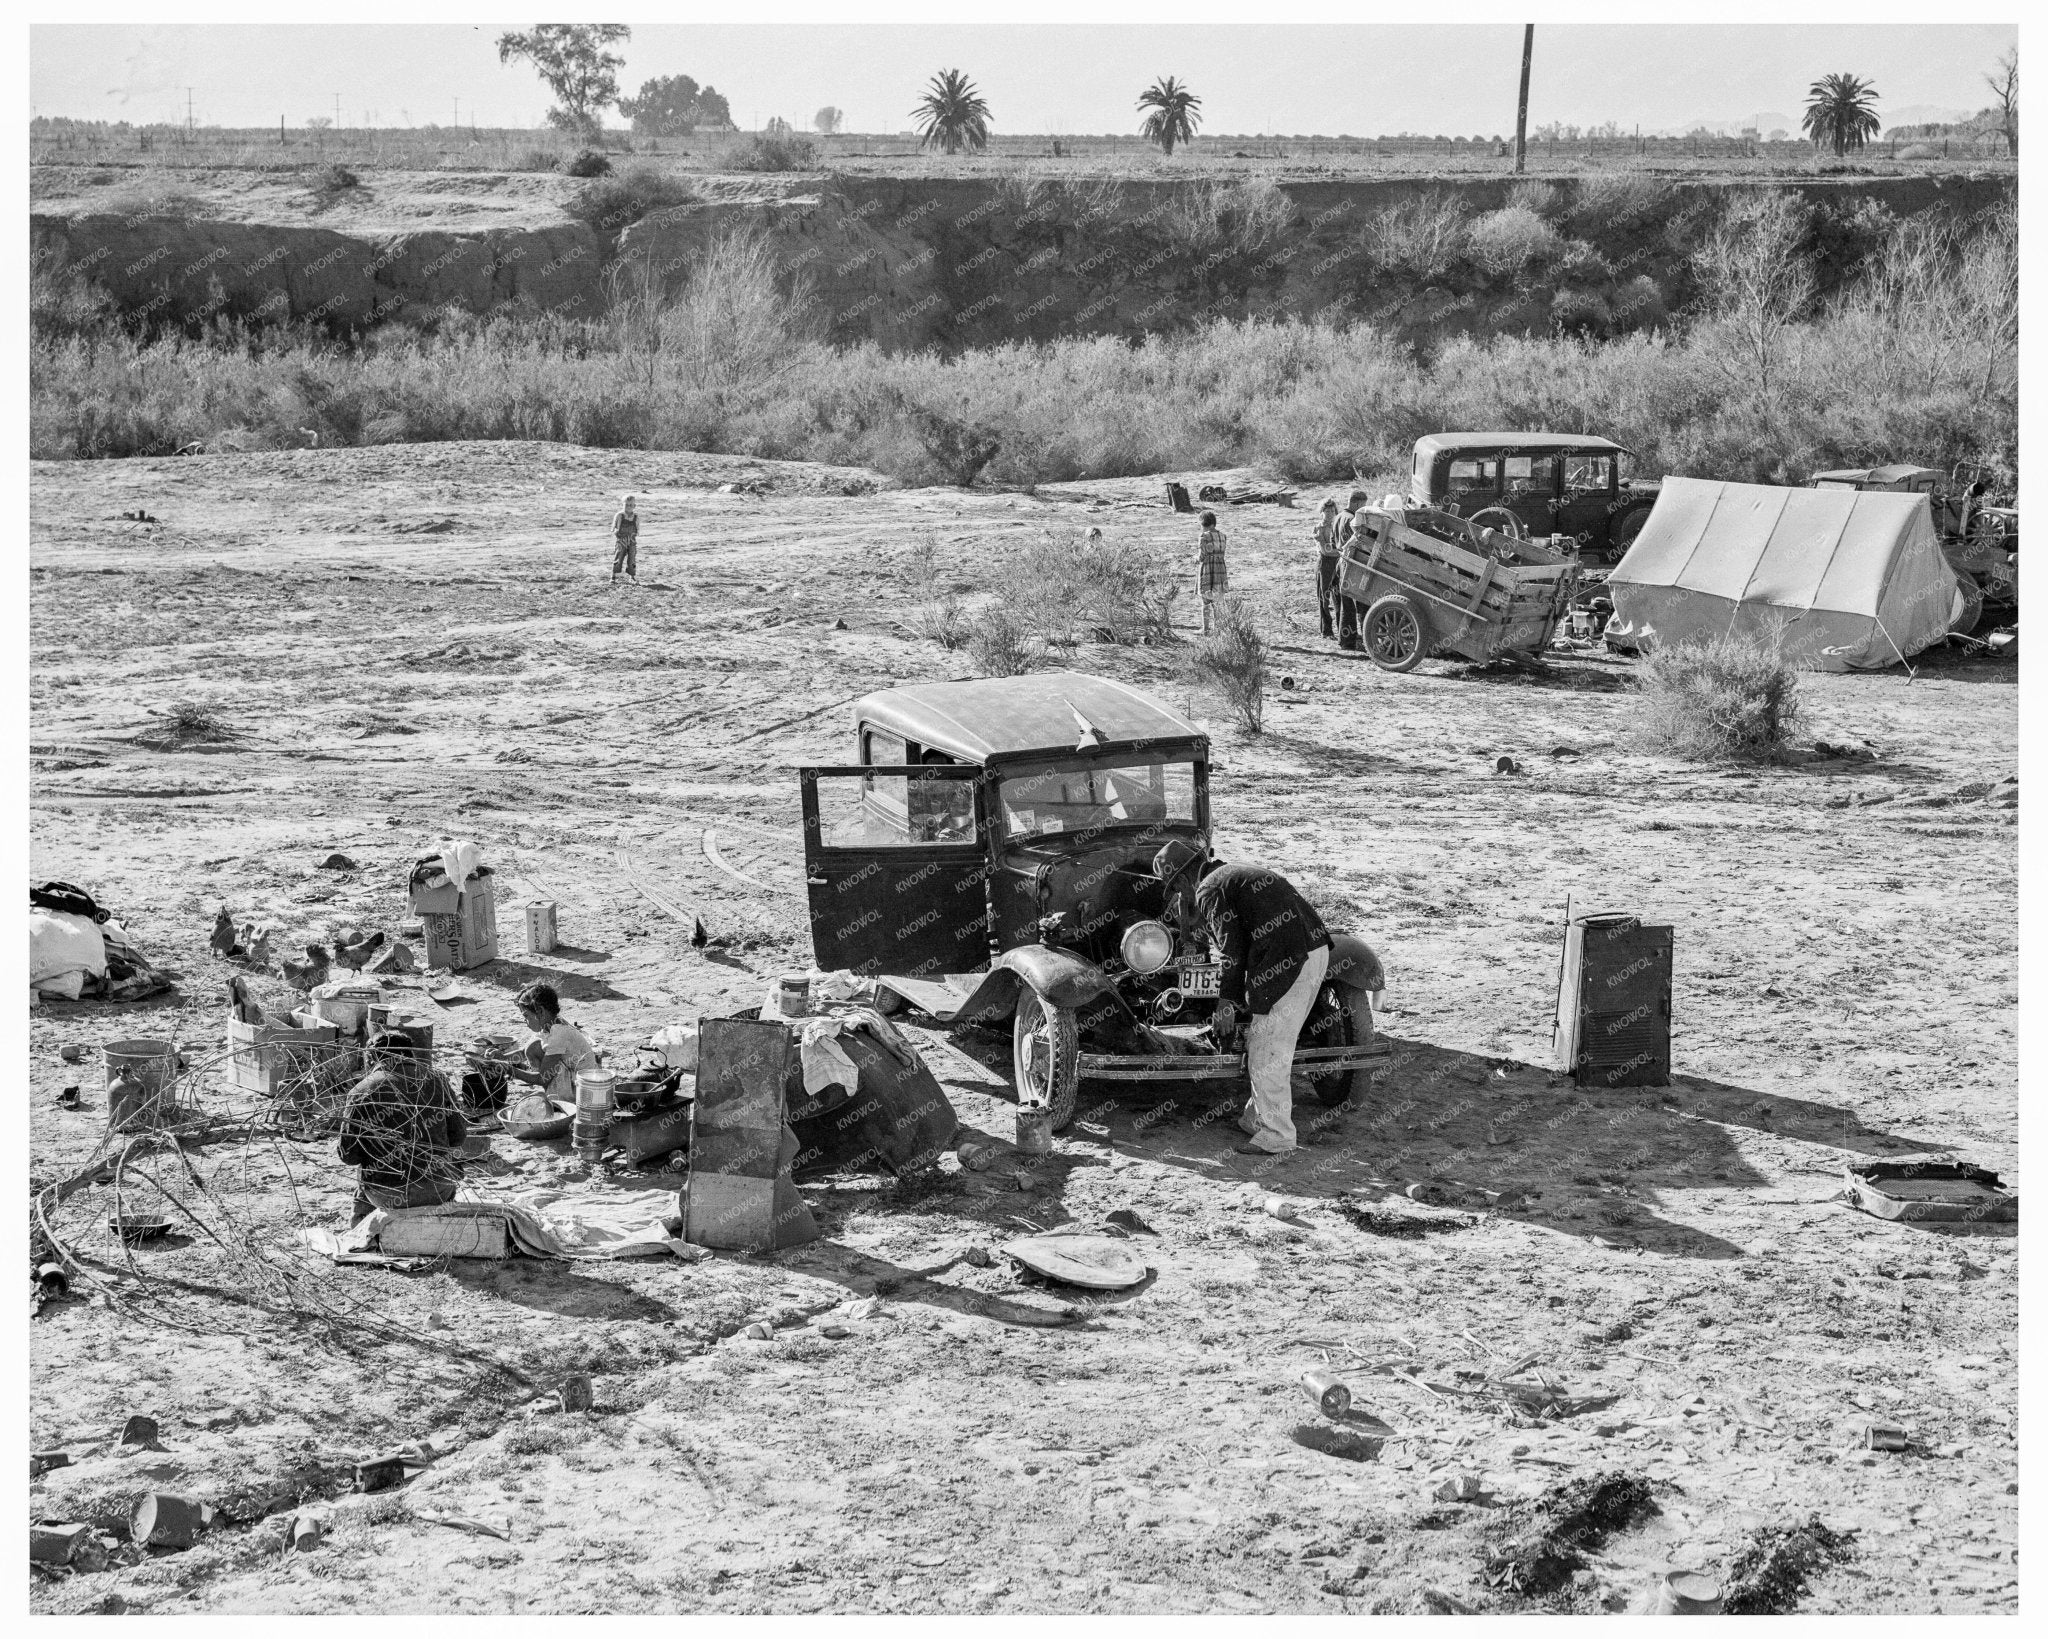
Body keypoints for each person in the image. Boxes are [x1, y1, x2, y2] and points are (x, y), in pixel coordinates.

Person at [1162, 845, 1331, 1157]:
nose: (1178, 895)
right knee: (1265, 1040)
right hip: (1313, 949)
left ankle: (1277, 1135)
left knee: (1269, 1048)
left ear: (1183, 879)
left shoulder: (1209, 889)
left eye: (1174, 888)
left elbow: (1230, 952)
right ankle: (1257, 1118)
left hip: (1289, 958)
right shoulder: (1229, 873)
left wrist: (1225, 1003)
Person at [337, 1030, 469, 1222]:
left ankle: (359, 1226)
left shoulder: (360, 1091)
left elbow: (348, 1155)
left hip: (386, 1195)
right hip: (438, 1188)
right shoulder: (438, 1080)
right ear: (410, 1054)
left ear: (372, 1058)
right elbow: (458, 1136)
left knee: (364, 1178)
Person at [506, 981, 600, 1105]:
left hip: (584, 1093)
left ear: (540, 1011)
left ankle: (558, 1101)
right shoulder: (552, 1025)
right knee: (533, 1046)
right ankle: (554, 1096)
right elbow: (524, 1052)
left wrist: (508, 1070)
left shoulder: (559, 1033)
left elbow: (542, 1078)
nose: (525, 1021)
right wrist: (502, 1058)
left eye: (526, 1016)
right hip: (579, 1082)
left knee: (534, 1050)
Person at [1314, 497, 1343, 638]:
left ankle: (1342, 629)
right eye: (1327, 510)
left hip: (1337, 563)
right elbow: (1325, 550)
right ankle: (1326, 630)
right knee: (1324, 598)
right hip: (1325, 563)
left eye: (1332, 510)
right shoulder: (1319, 528)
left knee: (1339, 597)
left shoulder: (1337, 525)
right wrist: (1341, 551)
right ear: (1322, 511)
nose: (1330, 513)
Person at [1197, 511, 1229, 634]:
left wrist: (1194, 559)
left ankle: (1205, 629)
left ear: (1204, 523)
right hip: (1220, 571)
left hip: (1207, 570)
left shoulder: (1203, 537)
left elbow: (1201, 557)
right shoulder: (1223, 536)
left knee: (1205, 602)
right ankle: (1217, 630)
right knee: (1217, 602)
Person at [611, 493, 640, 585]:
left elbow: (637, 528)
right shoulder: (619, 515)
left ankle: (632, 576)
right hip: (621, 541)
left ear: (634, 506)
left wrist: (634, 536)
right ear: (622, 504)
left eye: (631, 505)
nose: (629, 506)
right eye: (626, 504)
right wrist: (617, 534)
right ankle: (614, 576)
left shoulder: (636, 517)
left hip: (632, 541)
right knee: (618, 557)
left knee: (632, 559)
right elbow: (614, 528)